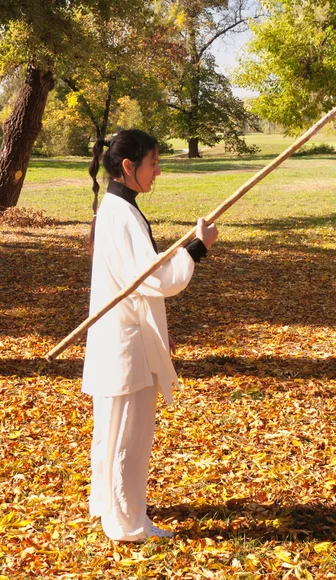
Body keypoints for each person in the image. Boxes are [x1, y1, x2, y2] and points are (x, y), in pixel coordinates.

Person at [81, 129, 218, 542]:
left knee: (114, 427)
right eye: (153, 163)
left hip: (126, 335)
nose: (158, 172)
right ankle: (126, 523)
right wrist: (197, 246)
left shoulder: (117, 208)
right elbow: (155, 277)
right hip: (124, 344)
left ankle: (109, 504)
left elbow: (136, 279)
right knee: (128, 434)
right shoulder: (120, 215)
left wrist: (160, 331)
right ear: (129, 167)